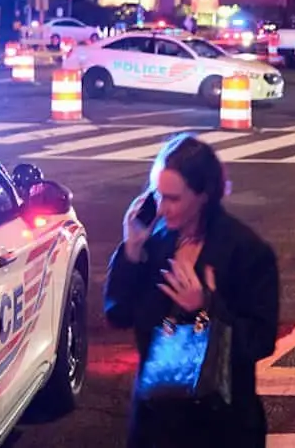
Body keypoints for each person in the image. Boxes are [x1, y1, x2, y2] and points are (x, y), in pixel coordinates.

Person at [104, 134, 280, 447]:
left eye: (173, 199)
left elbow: (260, 340)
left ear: (203, 196)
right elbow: (118, 314)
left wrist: (205, 306)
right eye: (158, 196)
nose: (163, 208)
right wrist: (131, 251)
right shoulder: (154, 243)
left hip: (220, 425)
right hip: (156, 422)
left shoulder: (246, 250)